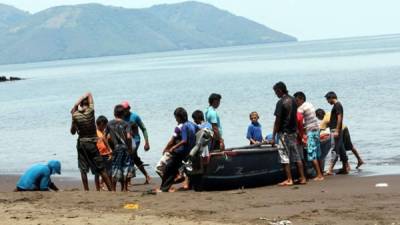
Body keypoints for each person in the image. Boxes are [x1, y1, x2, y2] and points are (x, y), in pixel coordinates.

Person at [70, 92, 112, 191]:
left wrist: (74, 111)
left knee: (83, 169)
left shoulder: (75, 115)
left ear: (80, 105)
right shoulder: (90, 111)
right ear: (88, 104)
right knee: (101, 168)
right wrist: (77, 103)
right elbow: (89, 93)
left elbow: (72, 132)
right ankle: (111, 190)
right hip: (91, 144)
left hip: (81, 143)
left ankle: (86, 190)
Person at [271, 82, 306, 186]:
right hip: (293, 132)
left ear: (280, 90)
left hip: (284, 133)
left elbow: (277, 121)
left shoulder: (281, 102)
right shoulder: (294, 100)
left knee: (284, 156)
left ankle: (289, 179)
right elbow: (294, 117)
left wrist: (273, 136)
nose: (275, 94)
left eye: (276, 92)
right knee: (296, 156)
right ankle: (303, 178)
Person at [159, 107, 198, 192]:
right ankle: (189, 184)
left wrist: (173, 147)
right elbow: (199, 130)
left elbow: (184, 140)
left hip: (182, 151)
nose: (176, 120)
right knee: (175, 169)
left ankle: (164, 188)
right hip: (190, 151)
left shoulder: (184, 126)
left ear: (179, 117)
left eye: (176, 117)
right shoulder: (192, 124)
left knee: (169, 169)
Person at [294, 92, 324, 181]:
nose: (296, 102)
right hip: (316, 130)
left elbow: (299, 120)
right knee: (317, 153)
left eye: (297, 100)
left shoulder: (301, 108)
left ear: (302, 99)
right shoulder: (309, 104)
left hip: (310, 131)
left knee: (311, 154)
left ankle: (319, 175)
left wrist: (301, 135)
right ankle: (321, 173)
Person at [121, 101, 151, 184]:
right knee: (134, 158)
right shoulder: (121, 117)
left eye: (125, 109)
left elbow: (143, 128)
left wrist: (147, 142)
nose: (124, 111)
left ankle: (128, 179)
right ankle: (147, 176)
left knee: (130, 156)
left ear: (129, 108)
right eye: (122, 110)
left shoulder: (135, 116)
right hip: (126, 141)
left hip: (136, 140)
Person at [105, 104, 133, 192]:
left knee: (115, 167)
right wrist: (130, 148)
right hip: (125, 148)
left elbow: (106, 137)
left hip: (116, 148)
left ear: (114, 113)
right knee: (125, 167)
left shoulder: (109, 123)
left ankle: (113, 188)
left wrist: (109, 148)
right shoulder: (126, 124)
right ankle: (124, 188)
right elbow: (128, 137)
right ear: (123, 114)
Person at [324, 91, 350, 174]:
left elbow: (339, 117)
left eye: (328, 100)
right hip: (336, 129)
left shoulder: (337, 105)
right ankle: (345, 168)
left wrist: (337, 130)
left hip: (336, 130)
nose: (328, 102)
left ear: (331, 97)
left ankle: (330, 169)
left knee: (334, 149)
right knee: (341, 149)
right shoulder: (337, 105)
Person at [95, 115, 113, 191]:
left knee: (108, 171)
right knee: (98, 173)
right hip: (99, 154)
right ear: (102, 124)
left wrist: (109, 150)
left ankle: (109, 186)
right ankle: (98, 188)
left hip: (105, 153)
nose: (105, 127)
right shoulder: (95, 132)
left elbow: (105, 140)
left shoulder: (103, 132)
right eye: (105, 125)